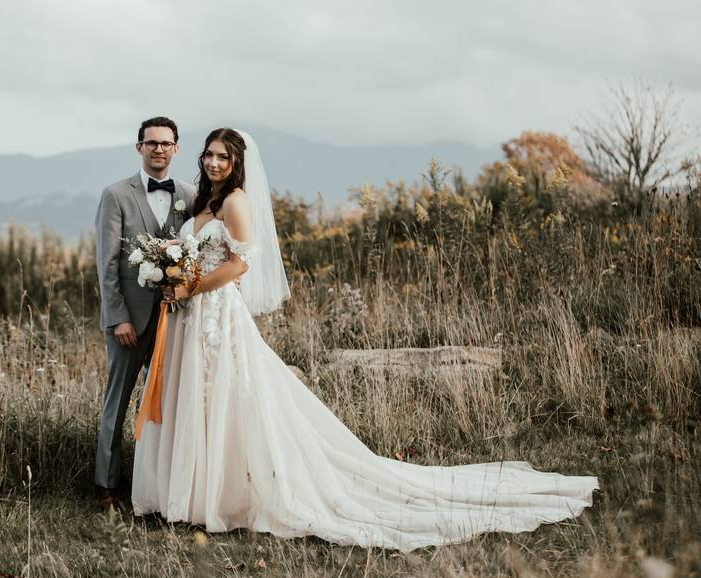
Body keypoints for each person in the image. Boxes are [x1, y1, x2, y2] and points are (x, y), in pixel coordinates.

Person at [131, 128, 599, 550]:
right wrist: (176, 276)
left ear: (238, 164)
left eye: (224, 157)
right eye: (210, 155)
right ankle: (190, 495)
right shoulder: (201, 204)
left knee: (224, 398)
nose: (214, 163)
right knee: (194, 396)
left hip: (216, 314)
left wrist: (190, 284)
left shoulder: (235, 202)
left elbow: (239, 265)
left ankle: (224, 497)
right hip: (191, 314)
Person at [94, 116, 197, 508]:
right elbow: (107, 263)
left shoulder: (189, 194)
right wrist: (117, 316)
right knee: (117, 402)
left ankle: (157, 487)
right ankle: (106, 486)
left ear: (176, 148)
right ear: (139, 147)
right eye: (151, 143)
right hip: (129, 322)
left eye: (165, 143)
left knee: (168, 403)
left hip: (176, 319)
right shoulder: (116, 194)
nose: (158, 149)